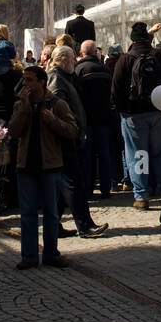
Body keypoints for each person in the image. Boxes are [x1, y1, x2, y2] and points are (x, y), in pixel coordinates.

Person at [8, 65, 79, 269]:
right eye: (24, 80)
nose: (25, 84)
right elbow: (13, 131)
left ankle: (51, 254)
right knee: (28, 213)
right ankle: (29, 256)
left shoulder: (57, 104)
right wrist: (24, 107)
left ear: (41, 82)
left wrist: (53, 120)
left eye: (29, 80)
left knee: (51, 212)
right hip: (26, 165)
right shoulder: (20, 104)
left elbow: (72, 130)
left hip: (50, 165)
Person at [112, 22, 161, 211]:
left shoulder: (125, 60)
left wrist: (123, 109)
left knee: (138, 155)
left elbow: (116, 89)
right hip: (160, 112)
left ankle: (141, 196)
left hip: (134, 115)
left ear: (132, 39)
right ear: (150, 39)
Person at [48, 45, 106, 238]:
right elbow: (60, 111)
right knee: (73, 184)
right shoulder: (57, 79)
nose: (75, 62)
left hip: (68, 136)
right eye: (72, 58)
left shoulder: (65, 77)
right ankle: (85, 225)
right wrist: (72, 129)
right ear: (64, 60)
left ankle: (54, 225)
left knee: (62, 186)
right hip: (64, 138)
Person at [74, 40, 117, 198]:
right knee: (104, 154)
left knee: (87, 155)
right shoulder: (105, 70)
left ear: (82, 53)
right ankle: (106, 188)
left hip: (86, 119)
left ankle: (87, 188)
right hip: (103, 118)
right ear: (95, 52)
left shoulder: (78, 70)